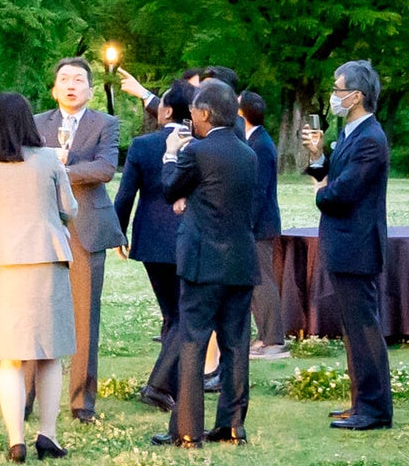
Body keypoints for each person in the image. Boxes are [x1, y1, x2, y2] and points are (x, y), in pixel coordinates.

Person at [0, 90, 77, 462]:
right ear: (29, 120)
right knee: (50, 355)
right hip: (48, 260)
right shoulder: (49, 159)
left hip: (5, 263)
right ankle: (48, 434)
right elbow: (69, 209)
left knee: (10, 357)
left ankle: (16, 439)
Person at [157, 80, 260, 446]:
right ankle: (232, 425)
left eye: (193, 113)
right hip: (240, 261)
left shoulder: (197, 152)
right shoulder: (249, 154)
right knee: (235, 344)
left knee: (192, 341)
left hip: (203, 261)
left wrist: (170, 153)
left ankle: (186, 429)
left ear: (204, 113)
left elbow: (170, 187)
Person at [34, 58, 122, 421]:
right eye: (64, 80)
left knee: (85, 318)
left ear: (89, 88)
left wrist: (62, 171)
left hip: (87, 229)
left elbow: (104, 169)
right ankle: (26, 396)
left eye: (79, 80)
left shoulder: (106, 123)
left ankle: (82, 402)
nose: (71, 85)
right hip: (42, 229)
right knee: (36, 315)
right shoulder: (37, 124)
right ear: (54, 88)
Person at [312, 59, 393, 431]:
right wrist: (318, 158)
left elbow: (342, 191)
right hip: (344, 243)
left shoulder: (371, 139)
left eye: (338, 89)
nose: (333, 96)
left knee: (364, 330)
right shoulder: (350, 133)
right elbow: (332, 173)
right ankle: (360, 400)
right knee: (353, 331)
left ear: (357, 96)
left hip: (358, 246)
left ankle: (374, 408)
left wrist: (321, 191)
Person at [120, 87, 189, 413]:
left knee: (171, 313)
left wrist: (119, 232)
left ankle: (169, 386)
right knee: (184, 315)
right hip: (187, 237)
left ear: (165, 111)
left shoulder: (142, 145)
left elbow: (125, 195)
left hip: (149, 238)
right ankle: (160, 384)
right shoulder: (198, 146)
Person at [239, 88, 287, 357]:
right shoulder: (252, 140)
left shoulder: (261, 145)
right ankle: (263, 335)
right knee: (255, 281)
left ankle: (273, 339)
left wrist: (247, 224)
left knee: (262, 281)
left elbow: (258, 191)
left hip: (260, 226)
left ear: (244, 113)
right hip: (255, 225)